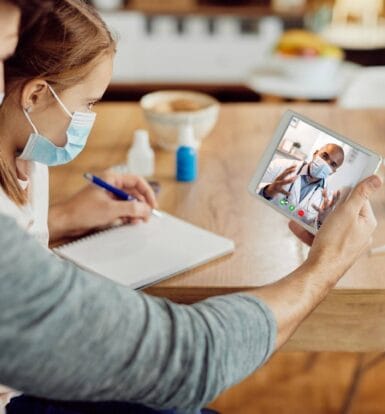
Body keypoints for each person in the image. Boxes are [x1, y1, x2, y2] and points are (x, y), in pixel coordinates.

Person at [0, 1, 382, 414]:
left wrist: (59, 218)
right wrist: (325, 265)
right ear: (36, 94)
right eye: (89, 105)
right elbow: (187, 359)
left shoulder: (23, 146)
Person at [1, 0, 156, 249]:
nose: (89, 116)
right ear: (34, 96)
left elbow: (21, 242)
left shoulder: (30, 151)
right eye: (88, 104)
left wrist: (67, 216)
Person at [258, 143, 344, 229]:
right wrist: (266, 191)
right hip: (262, 222)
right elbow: (250, 186)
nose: (325, 164)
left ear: (333, 171)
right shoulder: (280, 165)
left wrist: (321, 221)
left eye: (332, 164)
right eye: (324, 156)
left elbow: (311, 232)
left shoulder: (326, 200)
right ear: (315, 154)